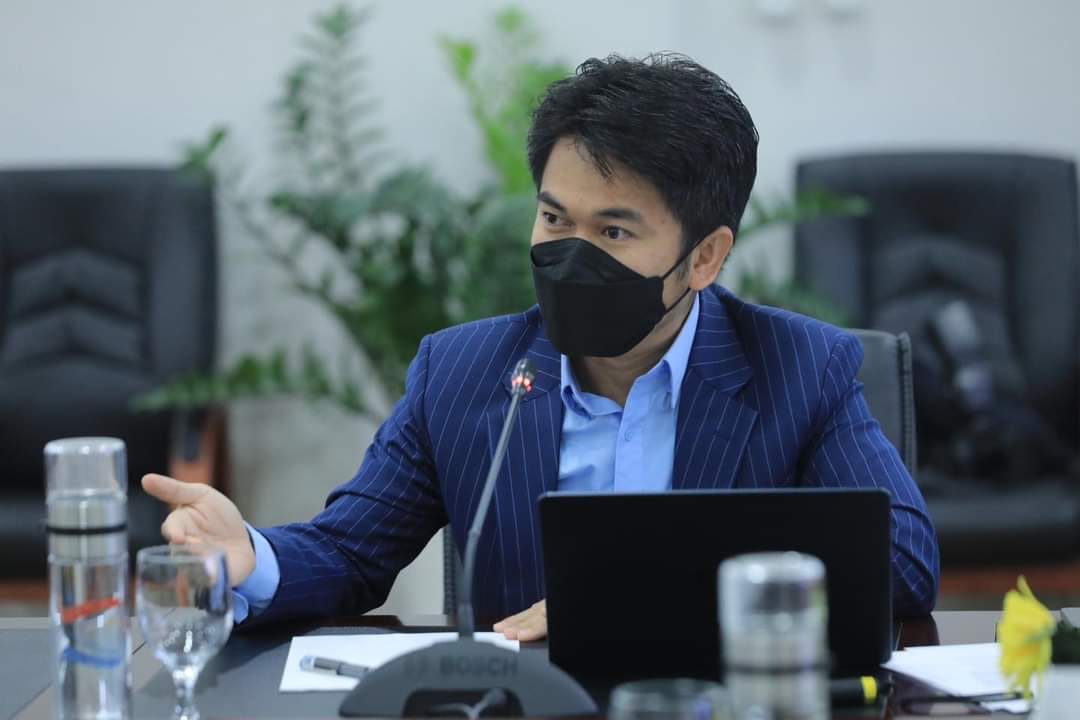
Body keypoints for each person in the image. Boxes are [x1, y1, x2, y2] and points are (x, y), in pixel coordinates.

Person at [143, 53, 939, 642]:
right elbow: (350, 553)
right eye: (555, 219)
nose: (570, 255)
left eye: (614, 232)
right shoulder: (463, 373)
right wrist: (247, 555)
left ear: (705, 256)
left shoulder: (800, 369)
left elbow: (902, 565)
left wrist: (652, 601)